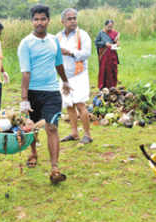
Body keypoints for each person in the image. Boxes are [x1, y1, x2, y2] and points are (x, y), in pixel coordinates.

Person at [18, 4, 71, 184]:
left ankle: (55, 168)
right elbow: (25, 73)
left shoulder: (53, 40)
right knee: (32, 126)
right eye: (36, 19)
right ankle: (33, 152)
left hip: (51, 92)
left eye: (43, 19)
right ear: (32, 21)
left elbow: (58, 63)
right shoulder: (25, 43)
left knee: (52, 127)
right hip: (32, 91)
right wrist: (24, 99)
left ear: (48, 20)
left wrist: (64, 80)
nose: (39, 22)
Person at [56, 8, 93, 144]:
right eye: (69, 19)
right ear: (62, 21)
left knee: (80, 104)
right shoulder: (57, 37)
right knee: (69, 105)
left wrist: (70, 53)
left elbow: (86, 53)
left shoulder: (82, 35)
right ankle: (74, 133)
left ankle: (87, 135)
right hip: (64, 76)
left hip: (79, 75)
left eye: (74, 18)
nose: (72, 21)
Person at [95, 20, 120, 90]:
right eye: (109, 26)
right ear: (105, 26)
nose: (110, 28)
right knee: (104, 70)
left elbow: (116, 41)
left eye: (111, 27)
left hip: (112, 54)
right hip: (104, 55)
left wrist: (117, 43)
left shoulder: (115, 33)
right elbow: (96, 42)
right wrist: (104, 44)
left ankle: (112, 86)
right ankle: (103, 86)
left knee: (113, 69)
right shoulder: (101, 33)